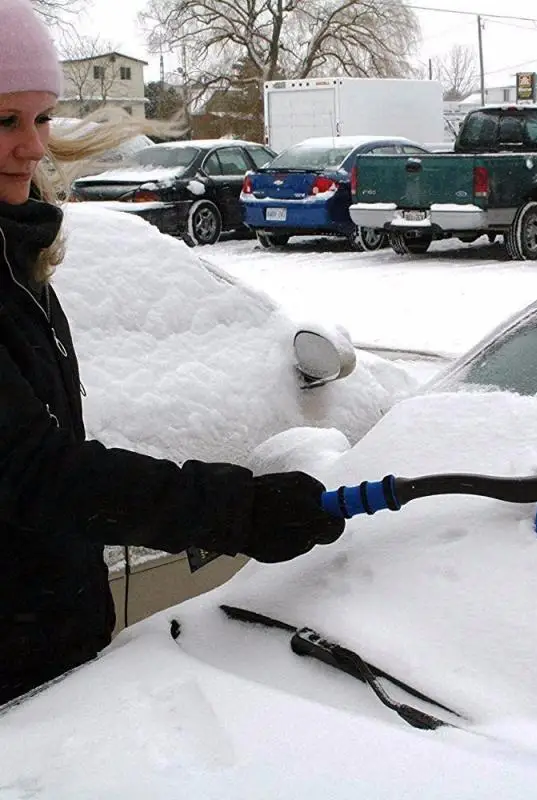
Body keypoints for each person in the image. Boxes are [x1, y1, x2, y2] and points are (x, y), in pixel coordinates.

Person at [0, 0, 345, 707]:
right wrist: (234, 510)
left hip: (43, 653)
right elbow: (31, 472)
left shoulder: (17, 256)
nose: (33, 148)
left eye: (40, 119)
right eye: (5, 121)